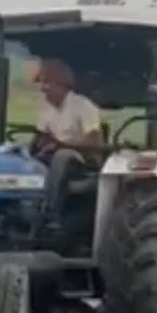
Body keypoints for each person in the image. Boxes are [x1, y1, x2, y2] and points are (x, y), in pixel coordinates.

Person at [30, 58, 104, 224]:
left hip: (82, 160)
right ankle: (29, 206)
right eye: (42, 84)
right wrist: (41, 145)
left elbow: (95, 142)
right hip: (54, 154)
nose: (43, 89)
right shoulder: (46, 107)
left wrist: (61, 146)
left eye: (47, 84)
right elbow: (41, 136)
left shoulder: (83, 106)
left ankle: (51, 214)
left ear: (61, 85)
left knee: (62, 157)